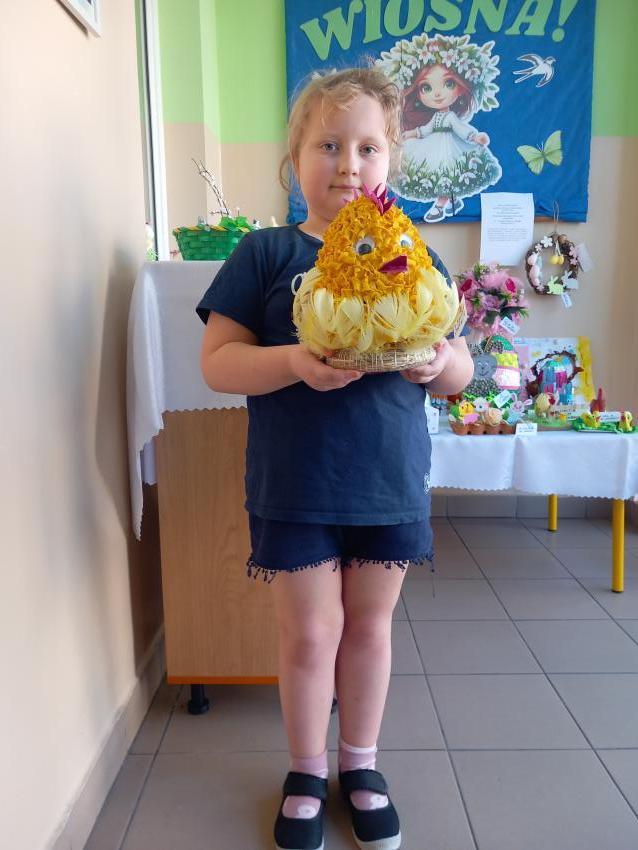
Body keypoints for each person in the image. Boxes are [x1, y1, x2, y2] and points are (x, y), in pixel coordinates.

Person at [197, 67, 473, 850]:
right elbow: (217, 363)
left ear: (391, 161)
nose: (348, 164)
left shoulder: (413, 255)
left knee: (370, 629)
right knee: (311, 634)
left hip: (388, 479)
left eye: (368, 148)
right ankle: (306, 771)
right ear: (295, 158)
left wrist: (437, 364)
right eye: (327, 145)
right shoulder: (267, 252)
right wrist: (294, 362)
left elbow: (460, 367)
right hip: (296, 482)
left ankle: (362, 765)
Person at [377, 34, 501, 223]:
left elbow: (461, 130)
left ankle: (440, 206)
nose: (437, 94)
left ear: (461, 88)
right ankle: (452, 201)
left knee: (447, 175)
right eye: (426, 87)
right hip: (434, 147)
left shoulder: (450, 117)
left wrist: (475, 137)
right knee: (443, 176)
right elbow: (426, 129)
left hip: (451, 149)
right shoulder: (436, 117)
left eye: (448, 84)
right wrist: (411, 133)